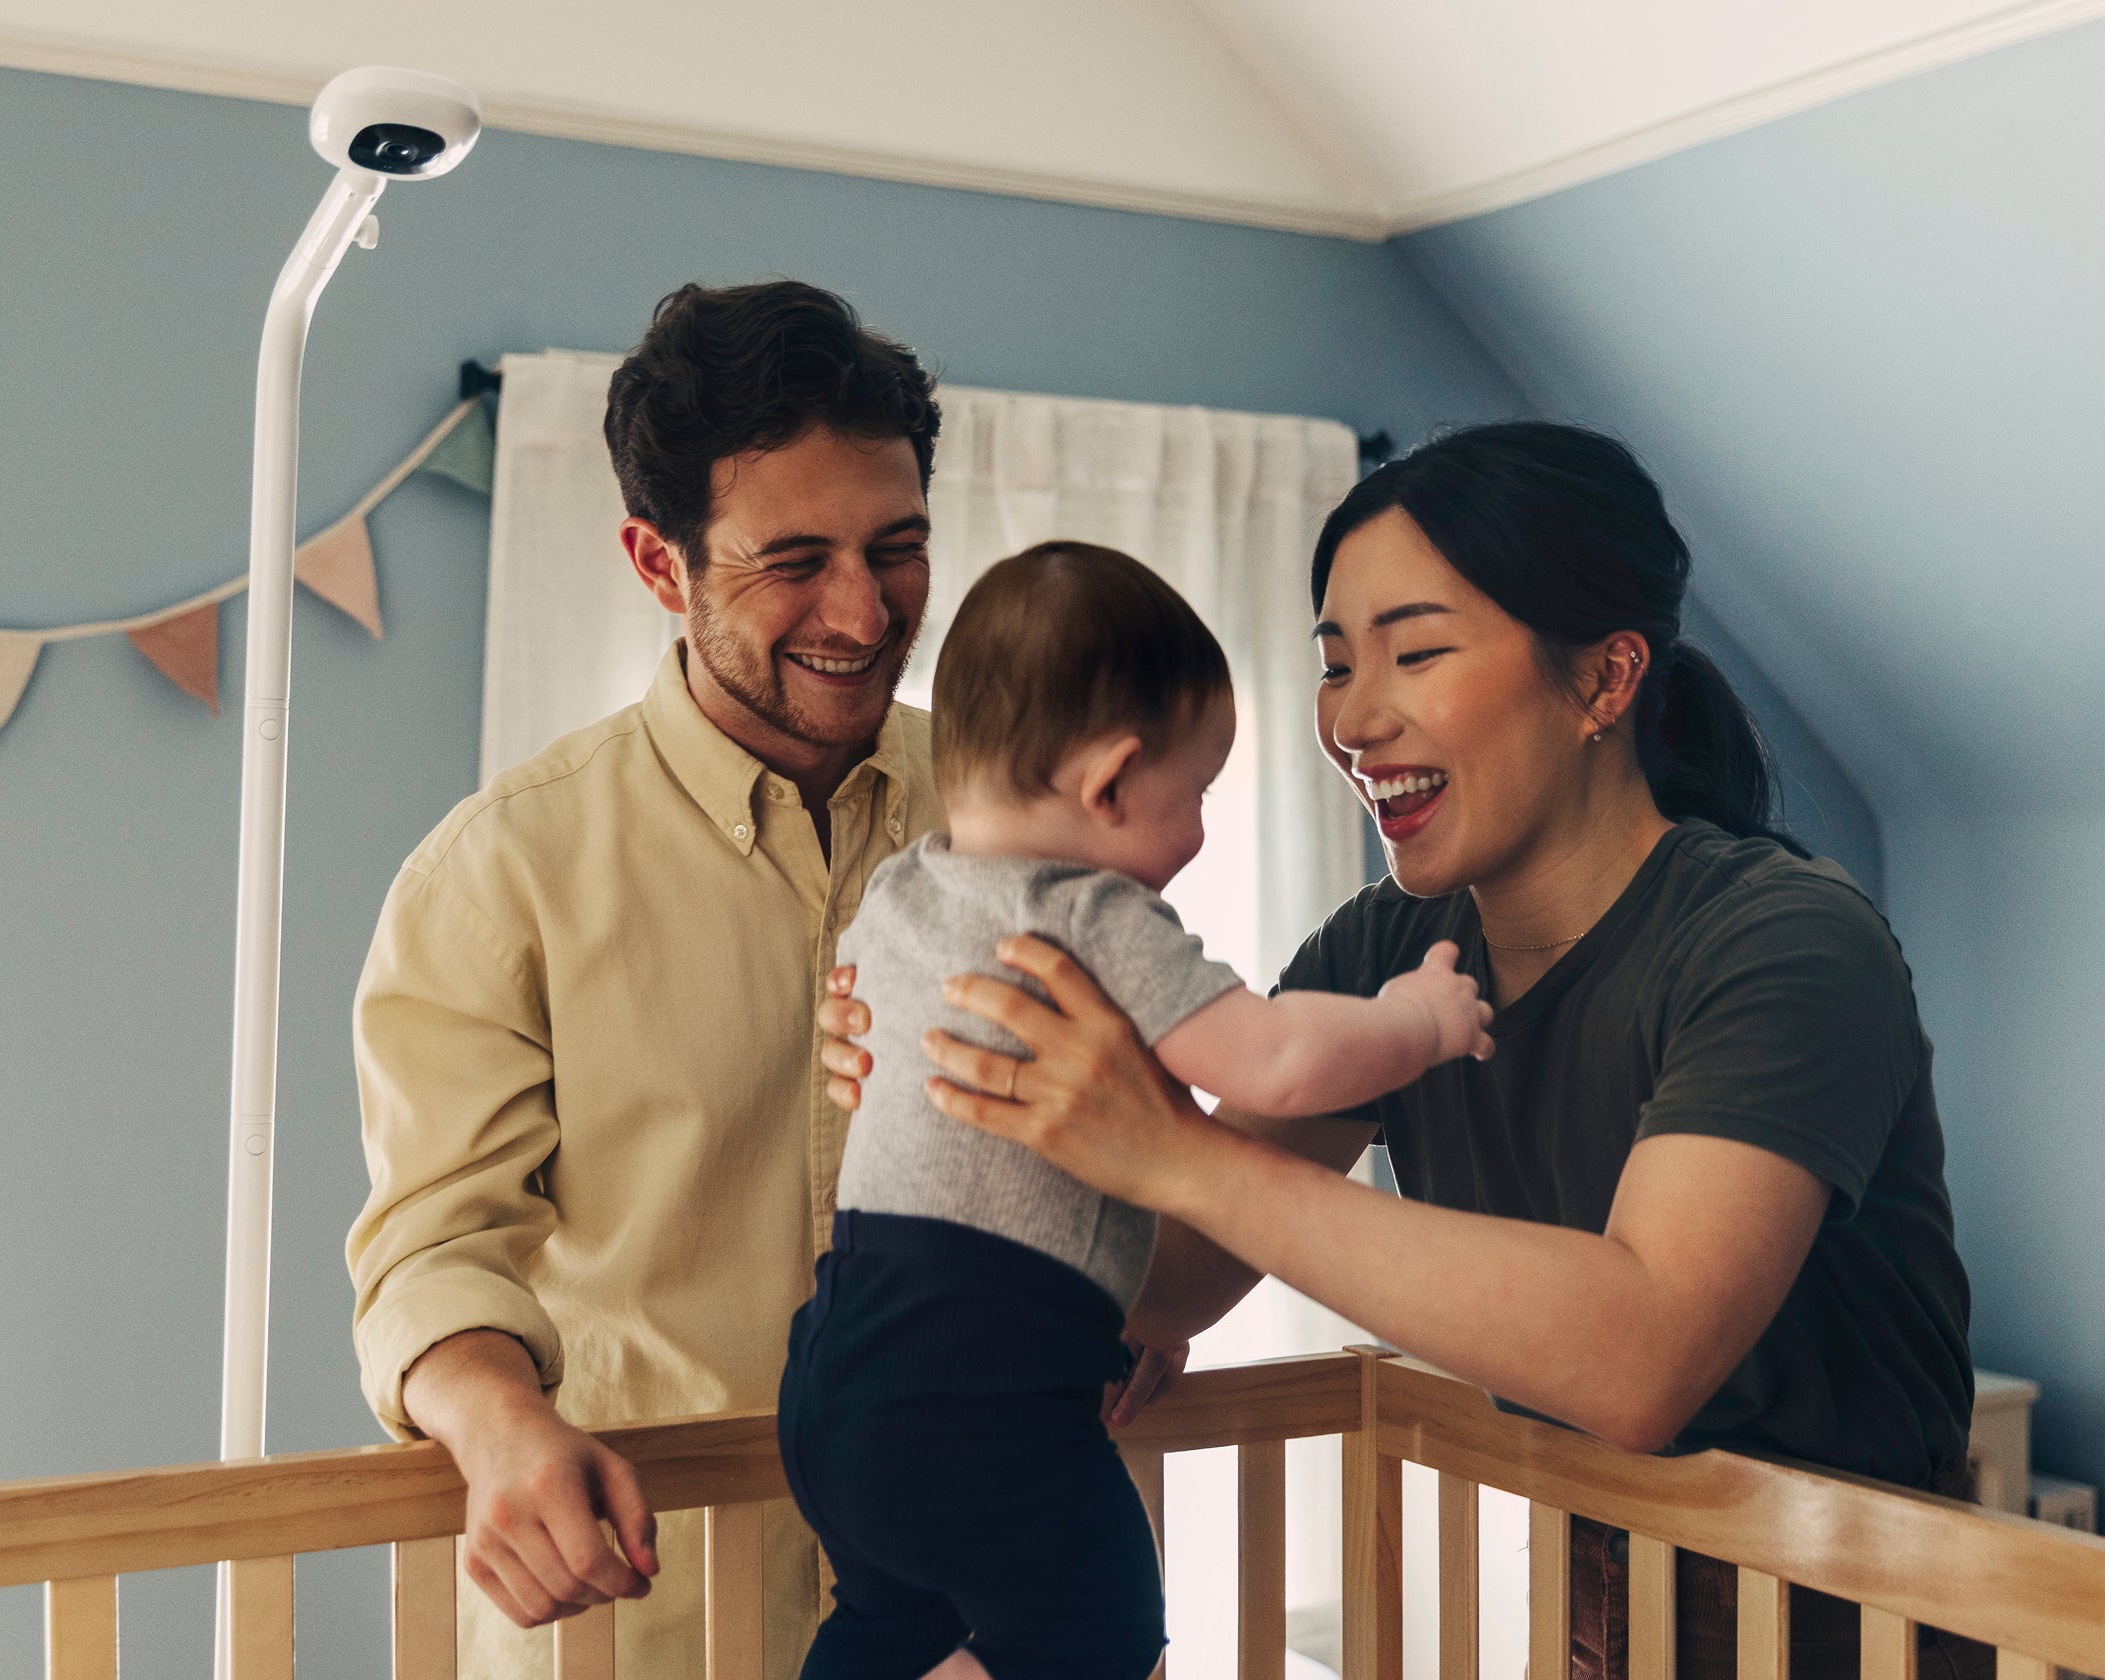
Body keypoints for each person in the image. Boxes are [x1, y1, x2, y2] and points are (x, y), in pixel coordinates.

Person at [820, 423, 1983, 1680]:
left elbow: (1638, 1356)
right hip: (1597, 1599)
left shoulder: (1782, 944)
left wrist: (1168, 1152)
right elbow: (1171, 1277)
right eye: (1332, 665)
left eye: (1415, 652)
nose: (1352, 721)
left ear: (1603, 680)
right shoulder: (1390, 948)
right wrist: (965, 1089)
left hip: (1846, 1621)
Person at [348, 279, 943, 1680]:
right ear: (656, 562)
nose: (863, 610)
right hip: (644, 1628)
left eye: (899, 547)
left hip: (969, 1606)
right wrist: (498, 1429)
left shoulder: (1018, 800)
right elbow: (432, 1255)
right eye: (793, 560)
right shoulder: (500, 874)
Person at [779, 543, 1492, 1680]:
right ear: (1109, 785)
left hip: (836, 1376)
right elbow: (1277, 1066)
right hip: (983, 1382)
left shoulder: (904, 890)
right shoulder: (1088, 916)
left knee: (888, 1621)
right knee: (1097, 1638)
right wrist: (1417, 1019)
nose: (1201, 830)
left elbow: (858, 1057)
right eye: (1193, 794)